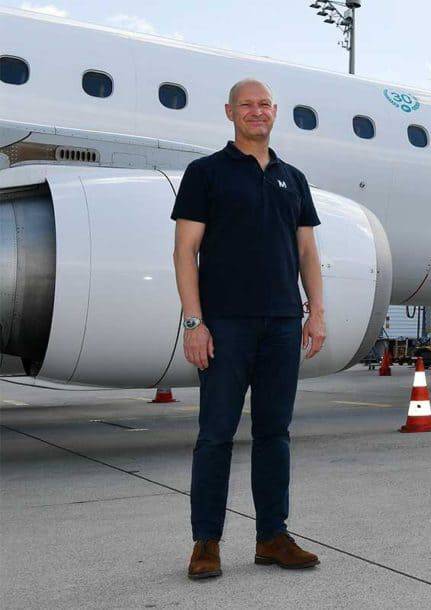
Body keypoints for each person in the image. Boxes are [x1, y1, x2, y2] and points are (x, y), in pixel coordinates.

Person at [172, 78, 327, 580]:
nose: (256, 112)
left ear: (274, 112)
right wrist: (194, 322)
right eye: (246, 105)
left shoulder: (293, 178)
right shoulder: (205, 173)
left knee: (274, 434)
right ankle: (206, 543)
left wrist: (315, 312)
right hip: (226, 326)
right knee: (215, 434)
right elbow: (184, 251)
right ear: (229, 112)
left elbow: (307, 252)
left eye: (263, 105)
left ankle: (272, 537)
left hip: (283, 324)